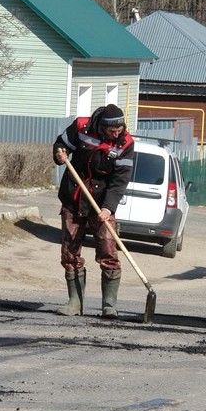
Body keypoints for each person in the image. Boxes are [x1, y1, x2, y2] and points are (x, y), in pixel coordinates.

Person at [52, 104, 135, 318]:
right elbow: (62, 143)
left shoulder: (125, 143)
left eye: (119, 129)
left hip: (102, 202)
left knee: (109, 250)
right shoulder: (82, 127)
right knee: (70, 251)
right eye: (112, 131)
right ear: (102, 126)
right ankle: (74, 302)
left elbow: (120, 180)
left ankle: (109, 305)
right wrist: (59, 153)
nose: (117, 134)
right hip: (75, 196)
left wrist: (108, 208)